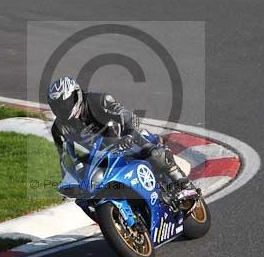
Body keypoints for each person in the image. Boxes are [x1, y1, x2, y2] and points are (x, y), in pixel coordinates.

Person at [47, 76, 198, 209]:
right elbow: (65, 157)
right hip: (102, 155)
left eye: (65, 103)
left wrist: (129, 135)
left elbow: (129, 116)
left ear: (76, 95)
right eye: (58, 106)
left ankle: (184, 184)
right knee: (87, 196)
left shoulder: (98, 100)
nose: (62, 108)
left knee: (154, 153)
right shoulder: (59, 129)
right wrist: (69, 181)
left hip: (126, 138)